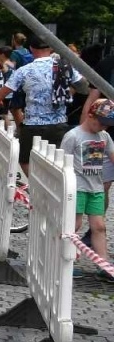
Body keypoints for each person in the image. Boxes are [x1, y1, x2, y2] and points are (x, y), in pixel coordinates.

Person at [0, 35, 86, 172]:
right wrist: (68, 91)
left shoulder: (24, 71)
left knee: (25, 161)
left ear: (31, 49)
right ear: (50, 48)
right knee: (57, 162)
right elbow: (84, 86)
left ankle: (37, 186)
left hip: (33, 124)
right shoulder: (64, 67)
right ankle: (51, 189)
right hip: (58, 124)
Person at [62, 98, 114, 264]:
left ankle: (103, 264)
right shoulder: (73, 136)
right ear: (90, 115)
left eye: (107, 124)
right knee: (74, 224)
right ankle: (65, 259)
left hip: (96, 188)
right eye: (101, 122)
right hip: (77, 187)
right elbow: (63, 160)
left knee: (99, 226)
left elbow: (112, 155)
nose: (103, 127)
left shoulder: (104, 136)